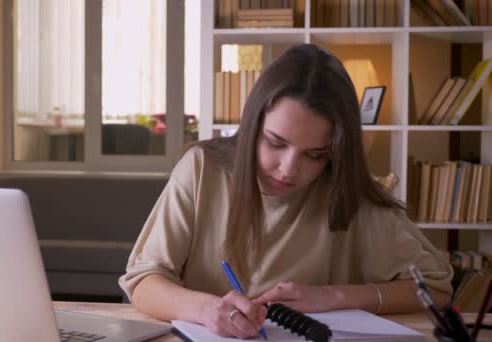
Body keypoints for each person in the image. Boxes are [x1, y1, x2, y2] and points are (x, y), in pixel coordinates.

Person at [119, 43, 452, 339]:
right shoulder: (202, 169)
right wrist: (206, 310)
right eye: (275, 142)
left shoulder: (348, 193)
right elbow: (143, 282)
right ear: (252, 126)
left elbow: (435, 289)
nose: (289, 169)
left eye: (315, 154)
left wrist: (333, 296)